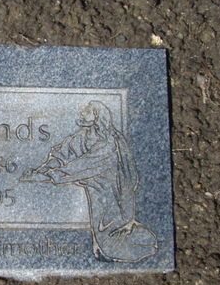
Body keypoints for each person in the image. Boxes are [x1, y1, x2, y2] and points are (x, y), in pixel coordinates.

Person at [21, 101, 157, 263]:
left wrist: (50, 176)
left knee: (108, 228)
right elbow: (64, 153)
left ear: (97, 116)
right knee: (99, 225)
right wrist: (44, 169)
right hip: (95, 188)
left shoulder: (108, 142)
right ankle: (104, 248)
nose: (82, 113)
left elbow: (84, 165)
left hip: (110, 189)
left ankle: (140, 244)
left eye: (86, 111)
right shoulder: (84, 135)